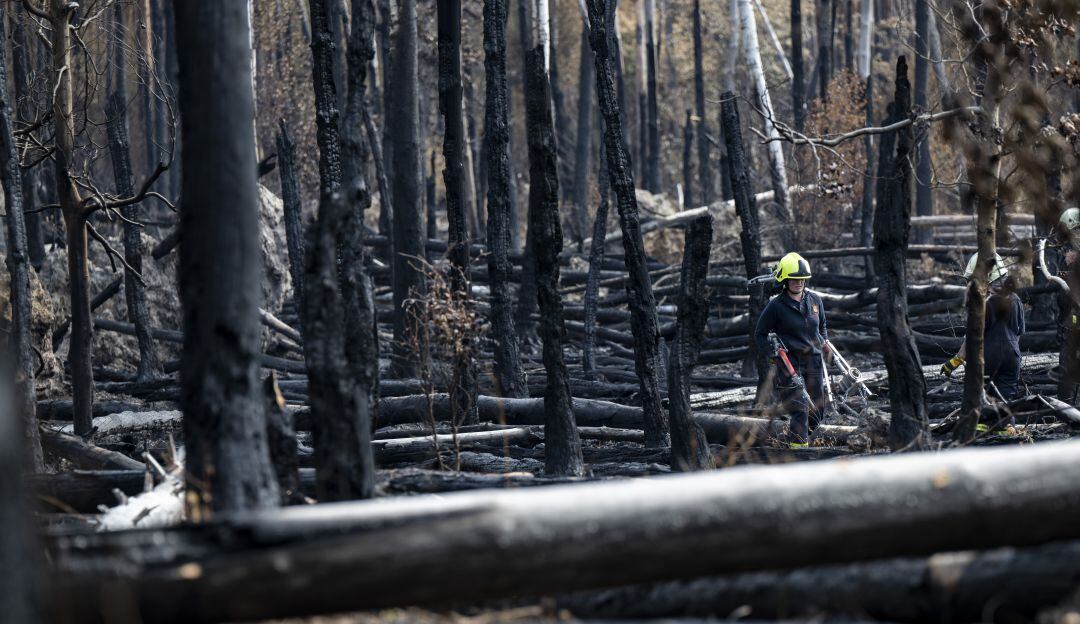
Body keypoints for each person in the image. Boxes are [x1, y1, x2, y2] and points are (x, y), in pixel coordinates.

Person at [754, 252, 829, 448]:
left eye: (802, 279)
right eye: (794, 279)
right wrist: (772, 354)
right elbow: (760, 334)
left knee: (818, 408)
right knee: (799, 407)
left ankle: (797, 436)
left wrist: (824, 341)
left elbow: (821, 326)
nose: (799, 282)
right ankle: (798, 450)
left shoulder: (814, 301)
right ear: (785, 280)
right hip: (789, 362)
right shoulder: (776, 306)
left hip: (813, 360)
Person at [941, 252, 1026, 412]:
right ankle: (1007, 429)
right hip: (1012, 356)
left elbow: (972, 339)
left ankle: (983, 429)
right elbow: (1018, 333)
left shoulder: (983, 305)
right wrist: (1012, 353)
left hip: (987, 357)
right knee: (1005, 398)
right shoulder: (1016, 300)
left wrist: (956, 361)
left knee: (984, 396)